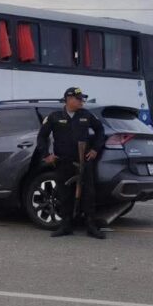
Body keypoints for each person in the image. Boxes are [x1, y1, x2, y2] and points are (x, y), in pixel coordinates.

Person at [36, 87, 106, 238]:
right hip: (64, 161)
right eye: (79, 99)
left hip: (83, 161)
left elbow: (100, 131)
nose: (82, 101)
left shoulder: (86, 115)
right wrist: (47, 155)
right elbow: (42, 137)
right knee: (64, 193)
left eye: (82, 99)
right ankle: (66, 225)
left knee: (88, 193)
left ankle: (90, 225)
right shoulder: (54, 117)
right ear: (69, 99)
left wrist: (95, 150)